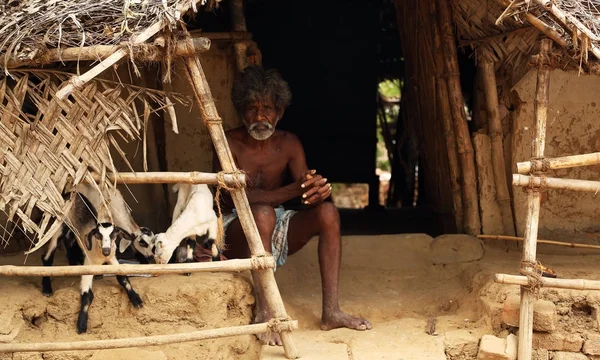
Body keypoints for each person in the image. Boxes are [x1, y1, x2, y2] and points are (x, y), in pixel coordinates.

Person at [212, 65, 372, 346]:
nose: (260, 117)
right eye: (252, 108)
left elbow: (306, 194)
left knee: (329, 213)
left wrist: (318, 191)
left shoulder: (289, 144)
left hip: (277, 223)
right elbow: (230, 198)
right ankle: (264, 313)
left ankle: (331, 311)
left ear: (280, 112)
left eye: (268, 109)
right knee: (261, 213)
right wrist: (292, 191)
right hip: (234, 230)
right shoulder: (228, 143)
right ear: (241, 110)